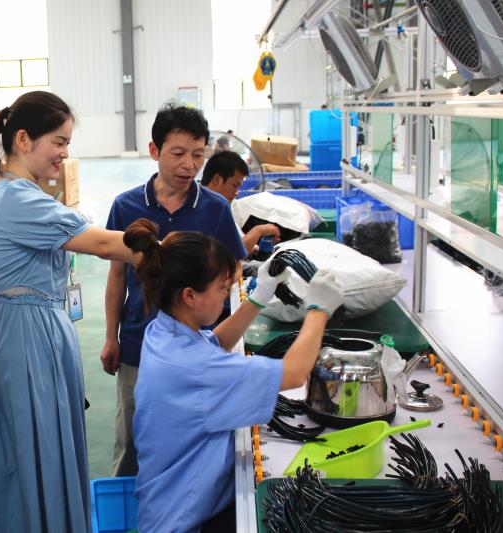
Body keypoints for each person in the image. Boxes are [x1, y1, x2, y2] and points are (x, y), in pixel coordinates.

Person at [0, 91, 138, 533]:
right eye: (58, 142)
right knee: (31, 444)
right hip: (26, 337)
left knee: (32, 444)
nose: (64, 153)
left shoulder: (18, 193)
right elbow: (104, 244)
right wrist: (170, 252)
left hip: (30, 328)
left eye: (67, 143)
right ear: (23, 140)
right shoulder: (19, 199)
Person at [124, 218, 344, 533]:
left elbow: (215, 342)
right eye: (222, 289)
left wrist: (259, 297)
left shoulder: (162, 331)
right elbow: (294, 373)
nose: (225, 295)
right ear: (190, 296)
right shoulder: (197, 369)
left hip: (169, 502)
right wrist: (319, 311)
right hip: (186, 521)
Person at [101, 104, 247, 477]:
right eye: (178, 153)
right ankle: (126, 501)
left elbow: (234, 267)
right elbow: (117, 277)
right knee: (132, 439)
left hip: (196, 347)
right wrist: (111, 336)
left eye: (198, 155)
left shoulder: (215, 208)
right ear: (155, 150)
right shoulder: (126, 206)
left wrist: (216, 302)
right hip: (137, 344)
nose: (189, 165)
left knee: (190, 439)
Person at [201, 150, 280, 252]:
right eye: (235, 186)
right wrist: (259, 231)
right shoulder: (204, 210)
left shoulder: (219, 207)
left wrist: (256, 247)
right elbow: (234, 253)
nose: (237, 193)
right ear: (217, 180)